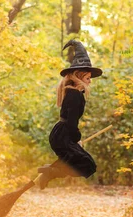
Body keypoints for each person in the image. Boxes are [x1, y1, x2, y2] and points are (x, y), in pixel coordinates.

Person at [37, 40, 103, 189]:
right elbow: (72, 123)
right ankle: (51, 172)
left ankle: (49, 173)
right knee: (87, 165)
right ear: (78, 76)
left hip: (60, 135)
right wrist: (76, 140)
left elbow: (70, 121)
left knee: (73, 161)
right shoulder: (75, 95)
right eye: (87, 78)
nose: (90, 82)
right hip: (63, 136)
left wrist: (74, 141)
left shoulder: (72, 92)